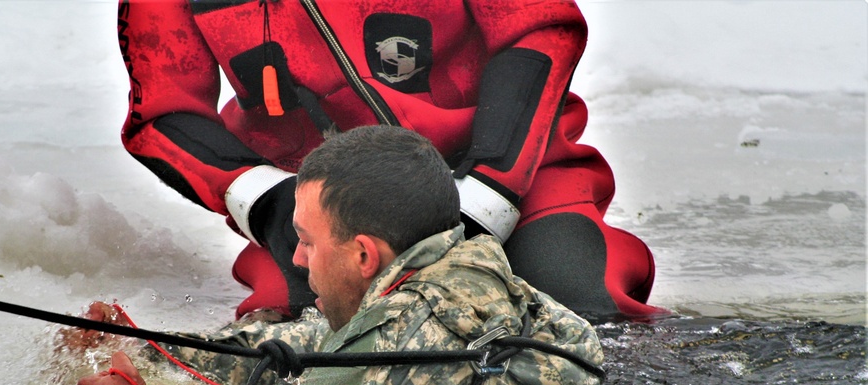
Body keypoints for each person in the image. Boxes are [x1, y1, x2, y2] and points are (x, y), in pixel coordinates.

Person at [75, 126, 671, 385]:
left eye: (306, 241)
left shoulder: (424, 324)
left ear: (364, 255)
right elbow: (306, 347)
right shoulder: (440, 270)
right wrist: (144, 345)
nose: (299, 259)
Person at [117, 0, 665, 321]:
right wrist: (274, 205)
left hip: (517, 178)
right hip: (325, 213)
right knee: (289, 346)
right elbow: (162, 115)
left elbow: (538, 27)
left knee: (583, 311)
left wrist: (489, 189)